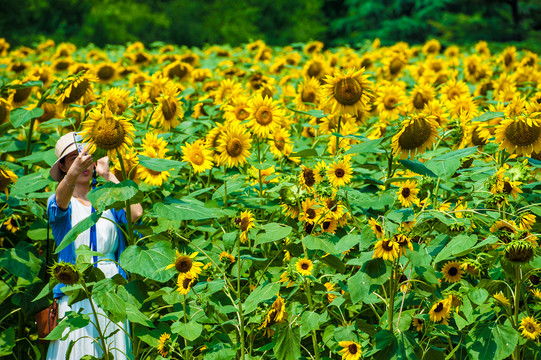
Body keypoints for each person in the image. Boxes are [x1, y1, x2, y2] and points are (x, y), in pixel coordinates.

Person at [46, 132, 143, 360]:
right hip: (77, 291)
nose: (84, 162)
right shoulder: (61, 203)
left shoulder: (107, 199)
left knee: (113, 349)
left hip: (112, 289)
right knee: (79, 348)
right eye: (75, 158)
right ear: (63, 166)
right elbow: (59, 201)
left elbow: (136, 212)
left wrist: (108, 175)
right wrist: (74, 172)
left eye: (88, 156)